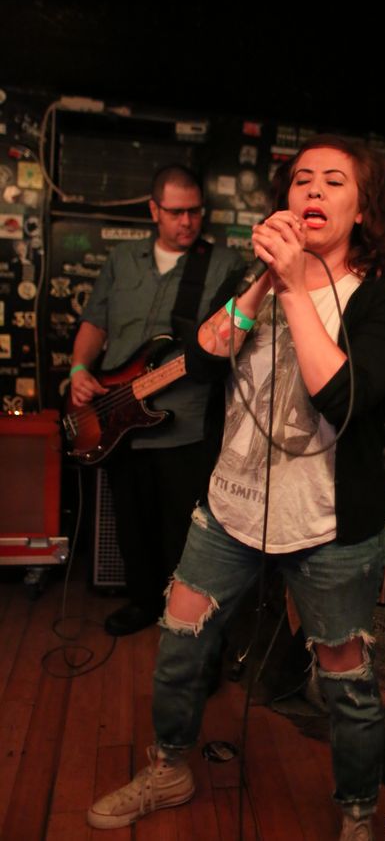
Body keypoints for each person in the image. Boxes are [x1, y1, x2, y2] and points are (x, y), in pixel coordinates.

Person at [86, 135, 385, 839]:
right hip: (229, 506)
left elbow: (341, 398)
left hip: (329, 526)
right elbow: (203, 360)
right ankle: (168, 766)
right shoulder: (254, 280)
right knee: (180, 639)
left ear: (363, 210)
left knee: (346, 680)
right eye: (302, 179)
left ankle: (358, 812)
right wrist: (265, 280)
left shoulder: (384, 302)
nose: (313, 190)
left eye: (334, 181)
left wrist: (295, 286)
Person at [69, 164, 244, 636]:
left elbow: (233, 335)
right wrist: (79, 369)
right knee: (131, 525)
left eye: (195, 212)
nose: (187, 222)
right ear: (153, 210)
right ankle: (143, 602)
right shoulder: (122, 259)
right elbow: (95, 321)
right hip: (115, 420)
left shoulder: (223, 265)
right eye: (175, 212)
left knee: (182, 533)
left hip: (184, 424)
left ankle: (182, 619)